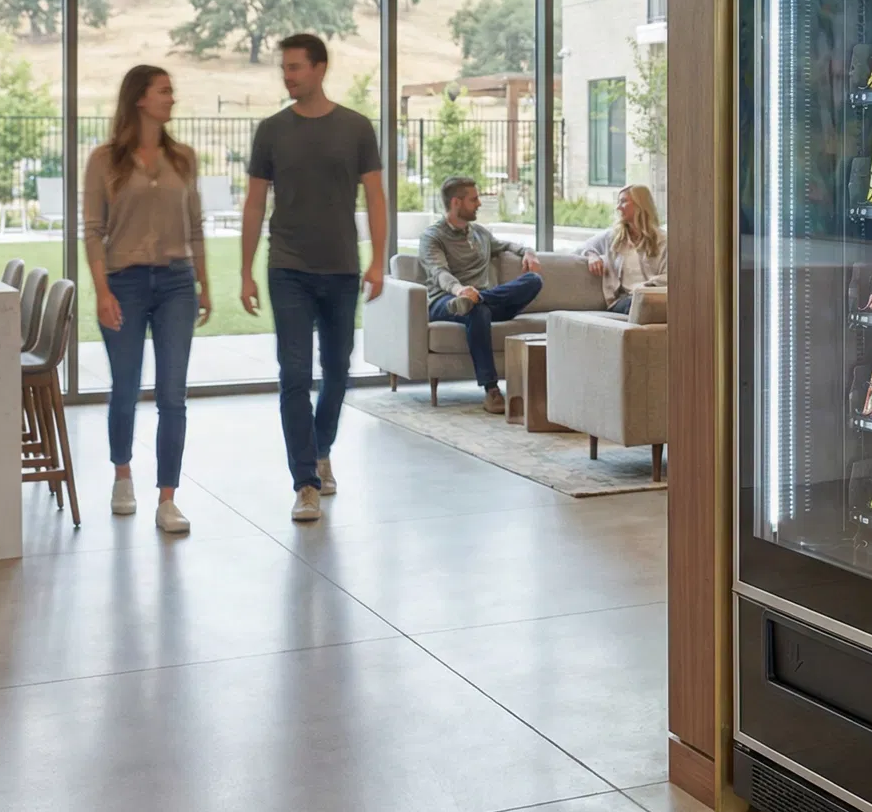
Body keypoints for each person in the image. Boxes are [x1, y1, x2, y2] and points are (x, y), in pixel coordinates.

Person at [239, 33, 386, 524]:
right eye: (284, 68)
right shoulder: (271, 131)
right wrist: (245, 270)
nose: (288, 75)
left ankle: (321, 450)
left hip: (342, 269)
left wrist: (378, 258)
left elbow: (376, 198)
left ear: (321, 69)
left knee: (339, 372)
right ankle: (305, 481)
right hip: (288, 269)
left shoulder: (357, 128)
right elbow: (256, 203)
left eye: (296, 67)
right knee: (295, 374)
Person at [82, 65, 211, 535]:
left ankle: (168, 498)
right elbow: (93, 233)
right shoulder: (103, 161)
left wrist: (204, 283)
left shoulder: (183, 159)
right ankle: (122, 474)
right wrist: (101, 292)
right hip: (124, 283)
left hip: (177, 282)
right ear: (139, 98)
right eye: (164, 91)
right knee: (125, 387)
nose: (172, 98)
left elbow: (196, 225)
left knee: (173, 394)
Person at [417, 177, 544, 414]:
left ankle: (478, 301)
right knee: (476, 310)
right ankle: (492, 391)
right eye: (474, 199)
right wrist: (460, 291)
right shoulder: (433, 237)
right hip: (445, 301)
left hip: (485, 299)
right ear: (456, 202)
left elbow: (507, 246)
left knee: (533, 281)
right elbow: (438, 273)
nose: (479, 204)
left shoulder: (480, 234)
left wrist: (528, 252)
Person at [578, 184, 667, 314]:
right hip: (624, 300)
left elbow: (670, 277)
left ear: (639, 204)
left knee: (651, 304)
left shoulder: (662, 240)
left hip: (652, 296)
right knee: (637, 304)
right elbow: (585, 246)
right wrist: (592, 255)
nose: (618, 207)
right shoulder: (612, 237)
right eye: (618, 202)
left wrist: (645, 287)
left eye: (623, 201)